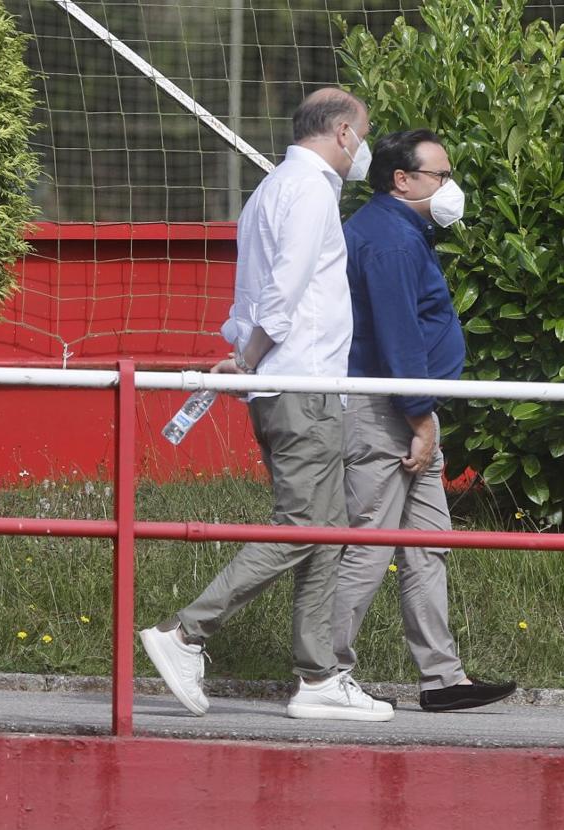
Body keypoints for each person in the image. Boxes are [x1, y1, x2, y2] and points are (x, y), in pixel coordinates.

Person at [138, 88, 393, 722]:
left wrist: (246, 354)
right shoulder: (307, 191)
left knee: (325, 531)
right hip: (300, 384)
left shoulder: (271, 188)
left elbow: (250, 294)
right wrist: (251, 356)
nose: (361, 150)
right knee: (305, 526)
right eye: (361, 136)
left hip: (293, 382)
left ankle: (319, 679)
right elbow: (280, 294)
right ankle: (186, 633)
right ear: (341, 132)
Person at [334, 129, 516, 712]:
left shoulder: (399, 231)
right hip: (390, 412)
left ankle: (442, 677)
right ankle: (323, 672)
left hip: (408, 411)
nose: (449, 186)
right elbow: (398, 335)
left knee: (426, 543)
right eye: (440, 175)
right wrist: (418, 416)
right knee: (371, 545)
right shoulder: (389, 240)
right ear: (402, 180)